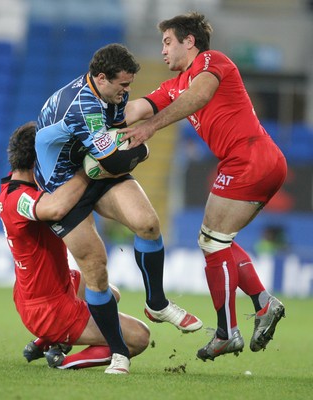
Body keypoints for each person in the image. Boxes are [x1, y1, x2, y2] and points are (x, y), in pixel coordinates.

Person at [121, 12, 286, 361]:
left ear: (189, 41)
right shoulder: (176, 84)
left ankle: (228, 332)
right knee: (216, 241)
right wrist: (93, 117)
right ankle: (262, 304)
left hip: (251, 157)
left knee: (212, 242)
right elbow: (137, 107)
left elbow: (199, 97)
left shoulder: (213, 62)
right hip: (253, 160)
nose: (163, 51)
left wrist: (151, 128)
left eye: (168, 42)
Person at [34, 44, 202, 374]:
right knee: (96, 268)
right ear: (100, 77)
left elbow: (113, 147)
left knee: (148, 224)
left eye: (129, 85)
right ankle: (117, 352)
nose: (127, 92)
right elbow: (115, 158)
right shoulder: (81, 104)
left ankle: (156, 303)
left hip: (93, 169)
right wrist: (143, 150)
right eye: (123, 85)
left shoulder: (112, 93)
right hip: (62, 187)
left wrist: (127, 147)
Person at [0, 122, 150, 371]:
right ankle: (62, 362)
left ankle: (45, 341)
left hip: (46, 288)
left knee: (110, 295)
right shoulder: (18, 199)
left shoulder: (14, 188)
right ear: (40, 158)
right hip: (48, 308)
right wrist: (86, 172)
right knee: (139, 337)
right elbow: (57, 207)